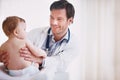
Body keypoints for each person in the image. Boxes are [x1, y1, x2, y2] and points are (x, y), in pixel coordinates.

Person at [0, 0, 80, 80]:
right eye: (52, 17)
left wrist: (39, 60)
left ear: (70, 21)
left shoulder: (73, 43)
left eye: (59, 19)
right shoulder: (35, 33)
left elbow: (60, 64)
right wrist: (3, 58)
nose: (53, 22)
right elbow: (15, 47)